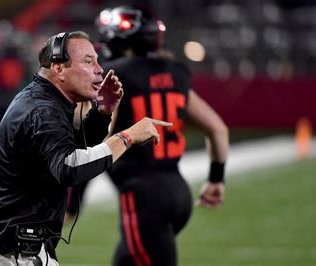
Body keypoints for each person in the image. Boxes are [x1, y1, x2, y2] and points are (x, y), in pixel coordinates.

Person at [0, 31, 172, 265]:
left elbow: (73, 148)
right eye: (88, 61)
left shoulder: (43, 99)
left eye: (97, 60)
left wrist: (102, 114)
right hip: (20, 251)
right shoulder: (43, 109)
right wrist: (128, 136)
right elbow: (69, 167)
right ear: (59, 68)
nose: (100, 69)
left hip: (16, 245)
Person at [94, 6, 230, 266]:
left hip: (144, 196)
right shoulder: (175, 72)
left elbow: (99, 138)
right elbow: (218, 129)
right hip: (178, 190)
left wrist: (71, 197)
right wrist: (216, 179)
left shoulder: (117, 74)